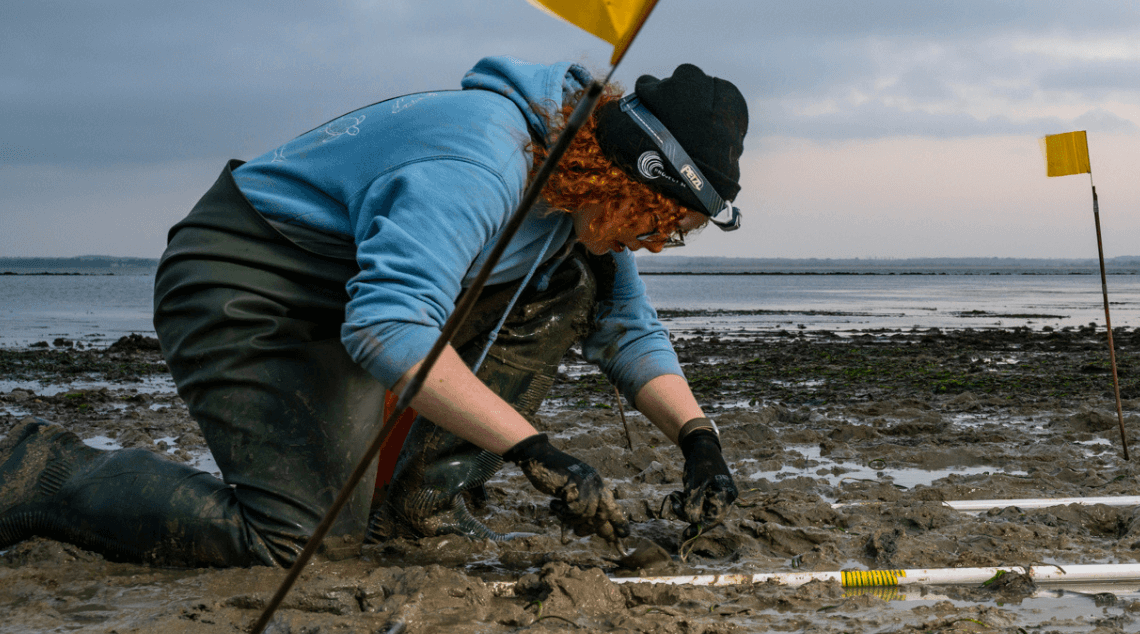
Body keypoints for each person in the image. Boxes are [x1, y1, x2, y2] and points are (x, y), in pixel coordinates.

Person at [0, 57, 746, 567]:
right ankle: (36, 470)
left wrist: (698, 442)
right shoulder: (480, 165)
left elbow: (627, 328)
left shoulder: (577, 197)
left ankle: (423, 512)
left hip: (357, 294)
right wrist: (535, 450)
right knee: (298, 542)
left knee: (570, 285)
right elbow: (388, 325)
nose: (653, 246)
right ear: (626, 186)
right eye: (658, 226)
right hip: (249, 282)